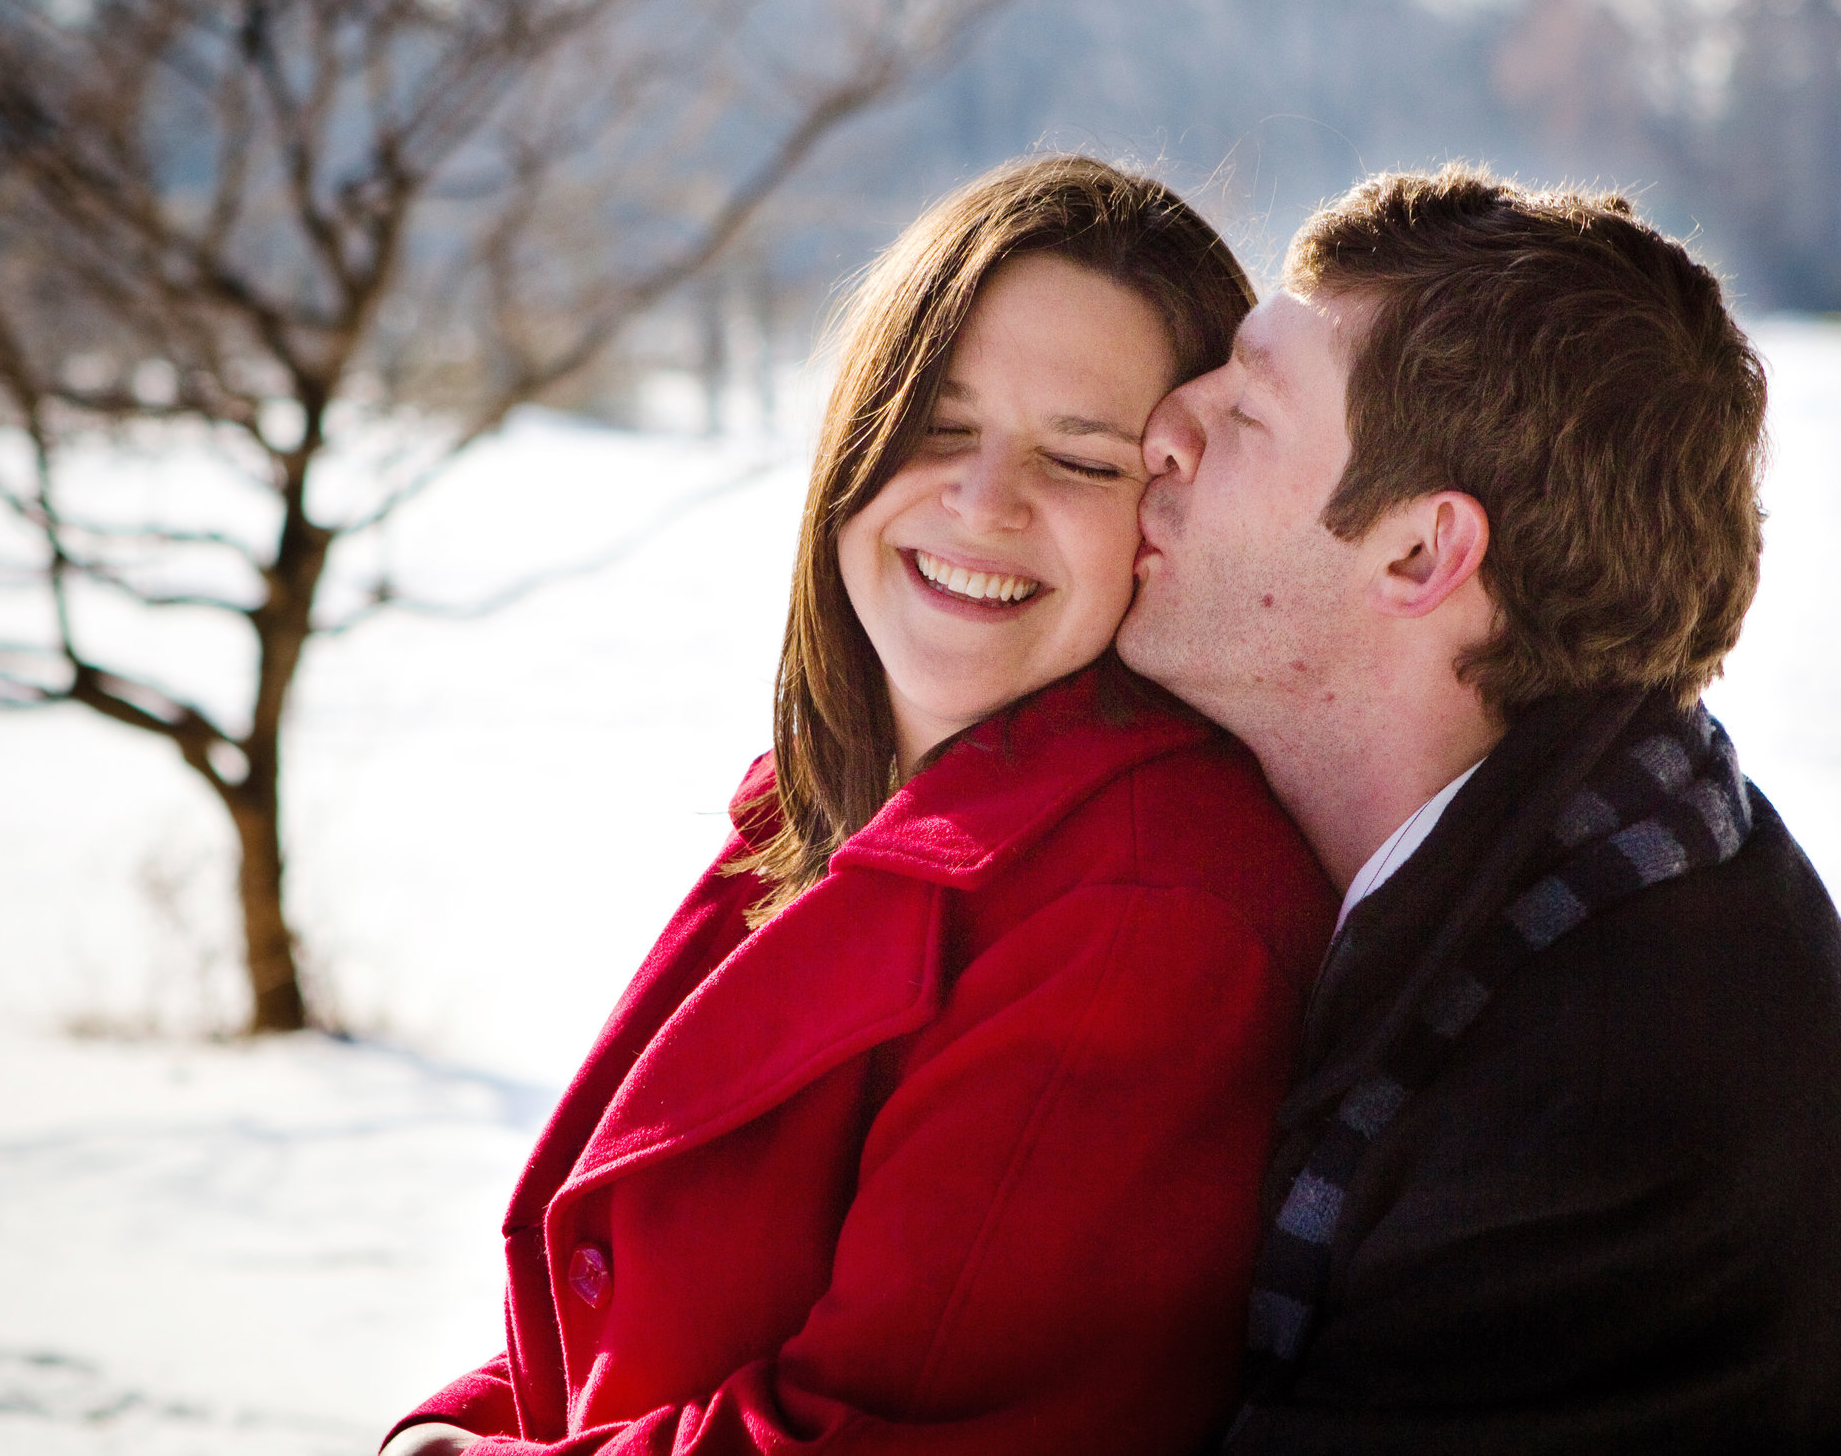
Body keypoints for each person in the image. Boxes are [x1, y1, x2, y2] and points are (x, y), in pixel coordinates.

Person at [380, 156, 1337, 1456]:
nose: (985, 501)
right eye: (941, 423)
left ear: (1169, 511)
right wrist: (446, 1429)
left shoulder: (1144, 909)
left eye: (1079, 455)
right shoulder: (822, 800)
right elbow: (622, 1314)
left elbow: (888, 1433)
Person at [1119, 166, 1841, 1452]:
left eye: (1246, 412)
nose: (1163, 428)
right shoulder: (1592, 861)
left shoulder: (1603, 1111)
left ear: (1420, 554)